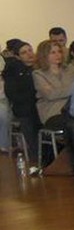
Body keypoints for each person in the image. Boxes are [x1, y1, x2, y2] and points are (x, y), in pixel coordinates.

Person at [4, 40, 42, 169]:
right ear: (17, 57)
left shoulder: (42, 67)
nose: (29, 54)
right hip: (25, 107)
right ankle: (35, 158)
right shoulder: (12, 71)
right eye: (24, 53)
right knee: (28, 116)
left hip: (42, 104)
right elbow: (12, 94)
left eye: (30, 50)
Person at [33, 40, 74, 149]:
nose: (58, 55)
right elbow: (50, 94)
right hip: (52, 113)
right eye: (53, 52)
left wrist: (63, 91)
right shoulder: (38, 74)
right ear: (44, 55)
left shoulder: (68, 71)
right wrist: (73, 89)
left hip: (71, 110)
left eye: (59, 51)